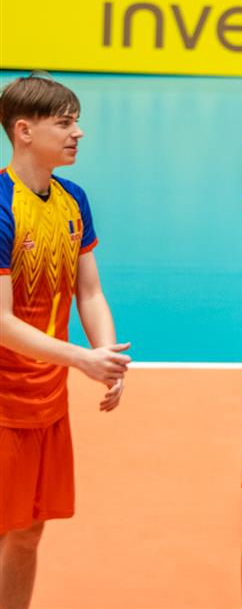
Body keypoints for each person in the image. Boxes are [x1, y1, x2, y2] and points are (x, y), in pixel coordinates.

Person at [0, 74, 130, 609]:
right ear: (24, 131)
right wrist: (81, 358)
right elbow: (1, 321)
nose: (79, 133)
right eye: (65, 123)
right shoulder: (2, 206)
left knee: (28, 531)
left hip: (46, 398)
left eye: (76, 122)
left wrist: (109, 356)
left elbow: (90, 292)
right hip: (3, 403)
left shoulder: (73, 200)